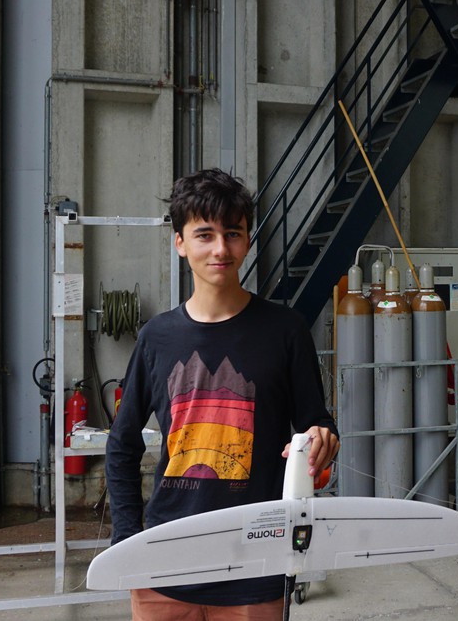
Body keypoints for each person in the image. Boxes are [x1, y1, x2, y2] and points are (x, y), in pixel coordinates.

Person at [106, 168, 340, 620]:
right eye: (204, 234)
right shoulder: (156, 338)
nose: (220, 249)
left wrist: (323, 440)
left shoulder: (285, 331)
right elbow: (122, 444)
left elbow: (318, 423)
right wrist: (127, 544)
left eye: (232, 234)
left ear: (248, 239)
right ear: (179, 242)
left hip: (256, 559)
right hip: (164, 558)